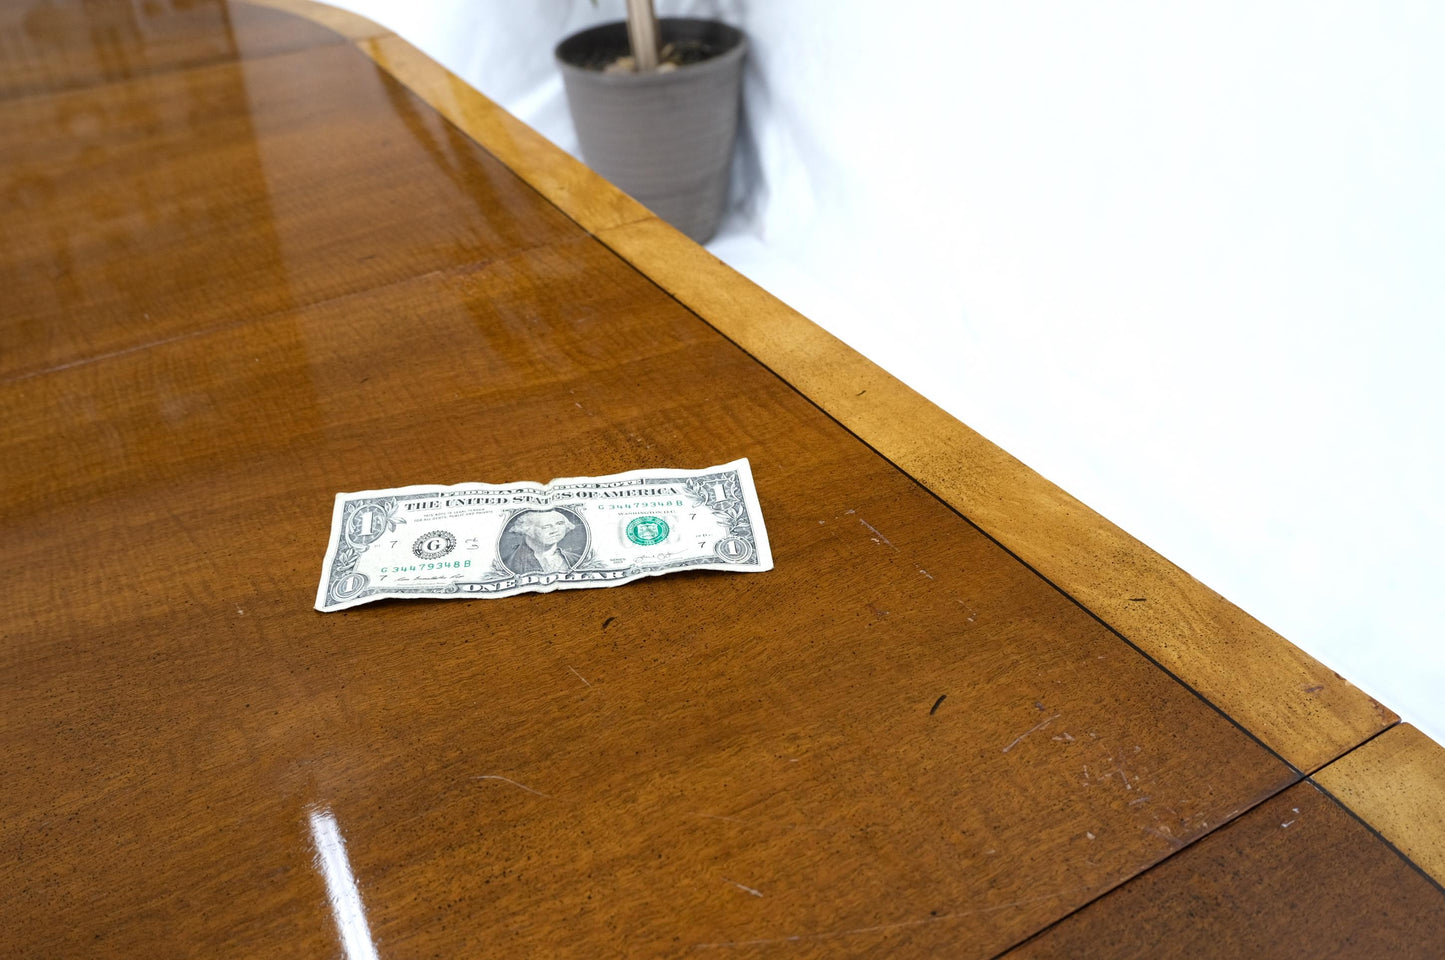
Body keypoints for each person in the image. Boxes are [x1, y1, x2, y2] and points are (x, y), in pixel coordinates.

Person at [503, 510, 583, 575]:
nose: (555, 530)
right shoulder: (509, 564)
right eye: (546, 526)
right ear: (527, 530)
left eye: (559, 524)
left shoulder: (576, 559)